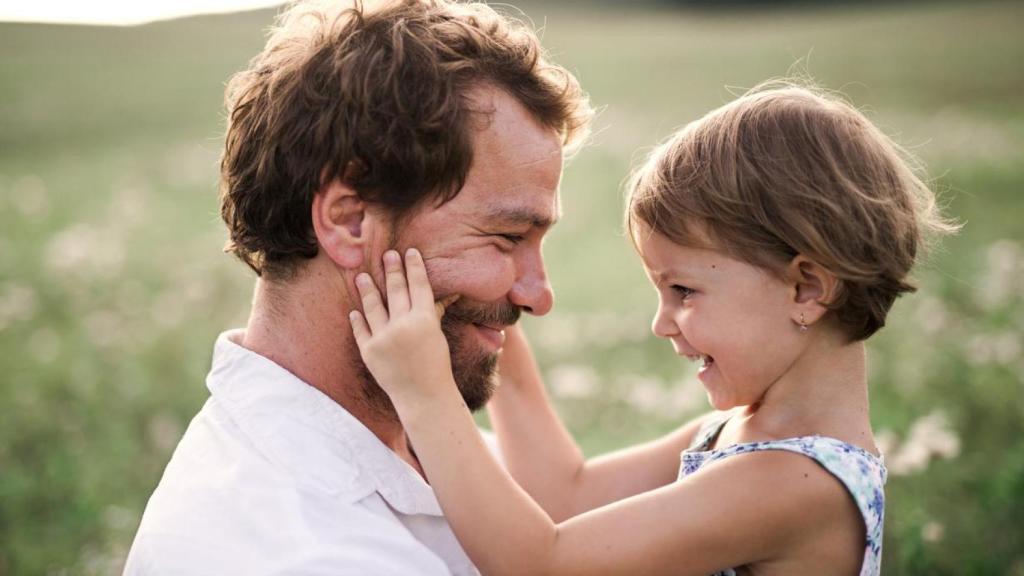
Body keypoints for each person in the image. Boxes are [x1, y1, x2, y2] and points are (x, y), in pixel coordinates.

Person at [350, 82, 959, 575]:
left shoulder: (794, 483)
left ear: (806, 289)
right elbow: (564, 495)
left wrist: (425, 391)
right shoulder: (737, 432)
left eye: (684, 291)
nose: (661, 322)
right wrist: (492, 316)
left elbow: (542, 564)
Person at [123, 0, 591, 573]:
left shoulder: (421, 442)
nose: (538, 295)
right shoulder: (302, 551)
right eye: (506, 236)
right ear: (350, 222)